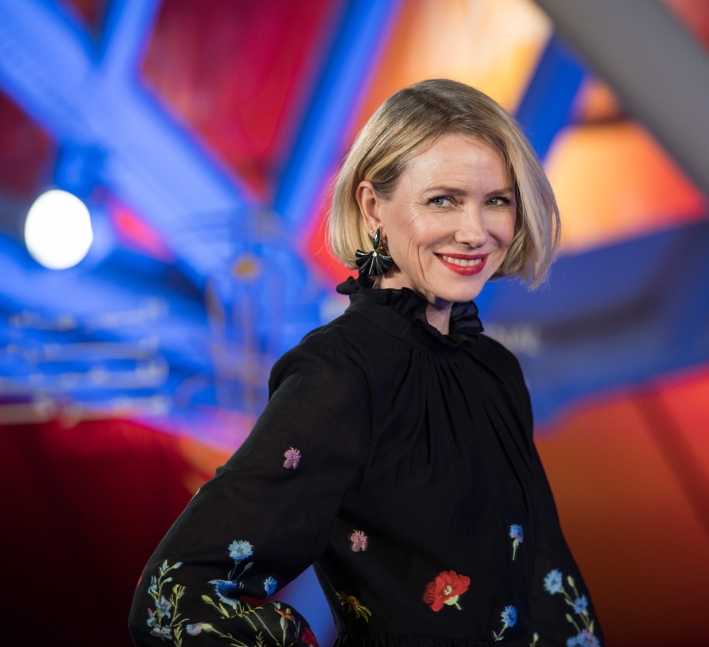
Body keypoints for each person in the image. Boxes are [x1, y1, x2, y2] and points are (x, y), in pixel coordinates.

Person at [128, 79, 603, 647]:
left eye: (496, 200)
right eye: (443, 199)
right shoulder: (340, 372)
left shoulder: (496, 371)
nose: (476, 231)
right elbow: (174, 593)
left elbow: (547, 586)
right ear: (373, 206)